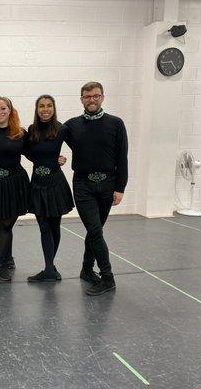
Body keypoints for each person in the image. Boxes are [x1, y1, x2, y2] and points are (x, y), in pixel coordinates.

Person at [64, 81, 128, 296]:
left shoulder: (116, 123)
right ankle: (107, 277)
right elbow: (48, 142)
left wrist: (120, 187)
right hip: (83, 184)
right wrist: (52, 157)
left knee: (96, 231)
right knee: (94, 230)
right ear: (81, 99)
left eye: (96, 96)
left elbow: (122, 158)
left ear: (102, 97)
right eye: (87, 96)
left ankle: (85, 269)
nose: (92, 99)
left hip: (108, 185)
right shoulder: (72, 125)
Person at [24, 95, 74, 282]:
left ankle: (49, 268)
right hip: (37, 183)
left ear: (54, 108)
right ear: (37, 109)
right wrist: (43, 161)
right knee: (43, 227)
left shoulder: (62, 129)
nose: (45, 109)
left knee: (54, 226)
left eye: (49, 106)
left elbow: (79, 147)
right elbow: (28, 152)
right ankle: (49, 269)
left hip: (55, 184)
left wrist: (63, 160)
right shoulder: (32, 129)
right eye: (42, 106)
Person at [0, 97, 29, 281]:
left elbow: (35, 154)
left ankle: (6, 259)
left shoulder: (20, 133)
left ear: (10, 110)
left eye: (3, 108)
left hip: (14, 183)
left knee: (7, 224)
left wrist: (56, 159)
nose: (0, 112)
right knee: (2, 224)